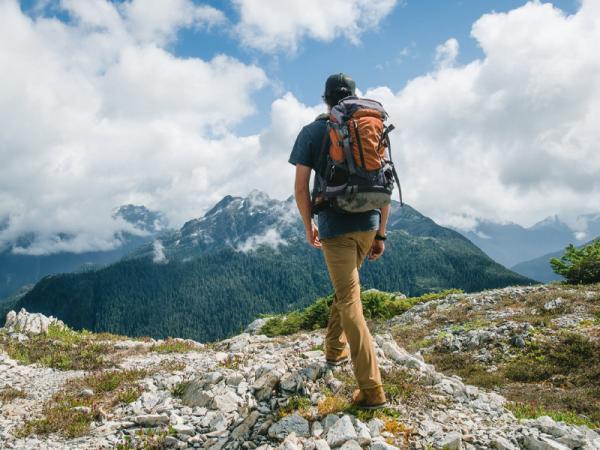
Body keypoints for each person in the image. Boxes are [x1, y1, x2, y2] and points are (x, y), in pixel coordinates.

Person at [288, 73, 389, 409]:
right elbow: (384, 184)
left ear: (325, 99)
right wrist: (381, 232)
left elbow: (301, 188)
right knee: (345, 291)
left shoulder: (313, 132)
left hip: (335, 226)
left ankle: (372, 389)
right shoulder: (370, 126)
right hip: (368, 223)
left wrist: (308, 225)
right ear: (353, 97)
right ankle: (334, 351)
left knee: (349, 300)